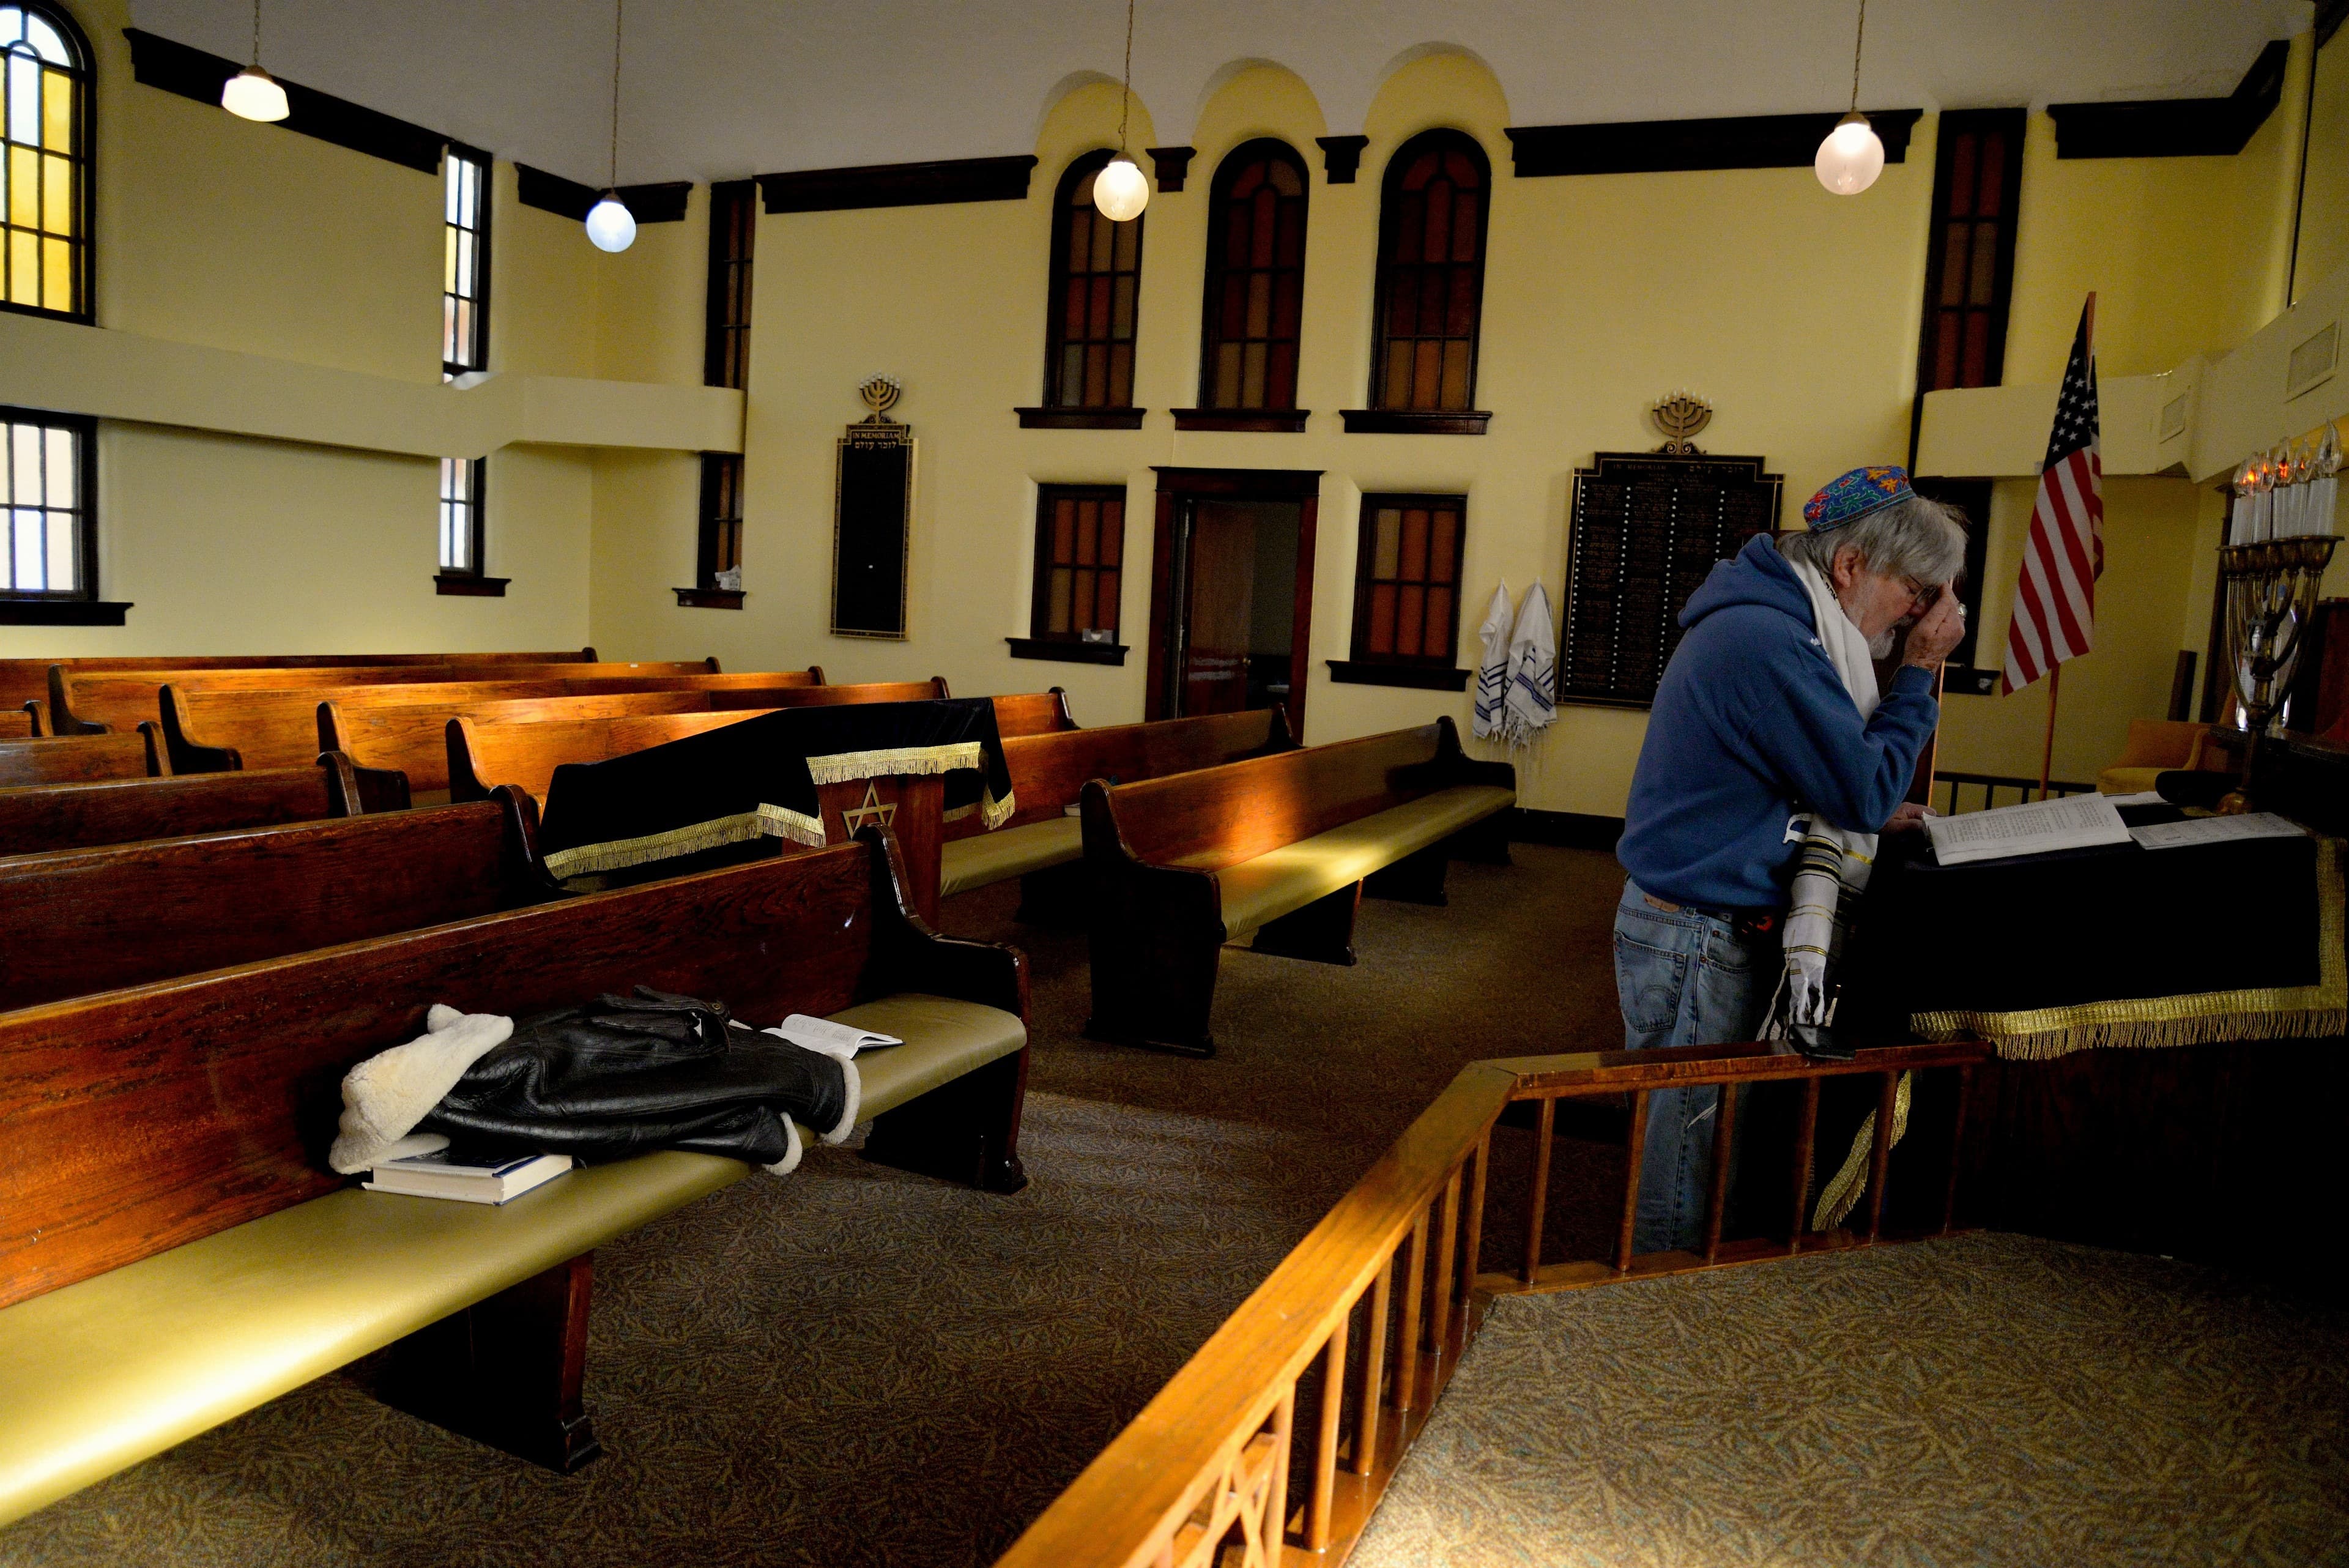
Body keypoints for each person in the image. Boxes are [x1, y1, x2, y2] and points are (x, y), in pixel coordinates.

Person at [1612, 465, 1969, 1254]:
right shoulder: (1766, 638)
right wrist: (1918, 671)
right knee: (1688, 1152)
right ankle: (1650, 1318)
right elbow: (1862, 792)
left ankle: (1674, 1295)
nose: (1924, 612)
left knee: (1706, 1139)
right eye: (1918, 589)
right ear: (1851, 567)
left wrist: (1860, 800)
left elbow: (1824, 781)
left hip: (1697, 917)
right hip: (1699, 931)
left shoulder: (1784, 623)